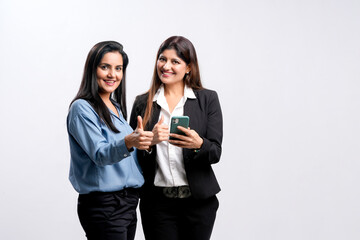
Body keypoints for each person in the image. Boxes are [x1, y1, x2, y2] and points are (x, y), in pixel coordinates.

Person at [130, 36, 223, 240]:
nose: (166, 66)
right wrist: (148, 144)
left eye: (175, 61)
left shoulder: (207, 99)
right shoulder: (142, 103)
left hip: (198, 204)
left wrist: (199, 145)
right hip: (157, 205)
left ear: (188, 67)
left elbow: (215, 152)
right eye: (162, 59)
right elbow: (132, 160)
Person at [67, 41, 153, 240]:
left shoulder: (115, 106)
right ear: (92, 69)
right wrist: (129, 142)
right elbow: (100, 154)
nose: (112, 74)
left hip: (128, 202)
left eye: (118, 68)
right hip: (104, 204)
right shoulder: (82, 108)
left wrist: (149, 140)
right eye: (104, 67)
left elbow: (126, 158)